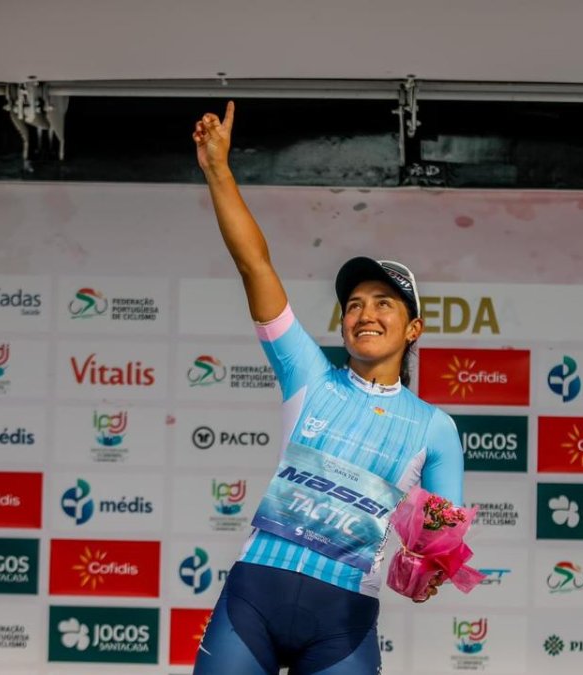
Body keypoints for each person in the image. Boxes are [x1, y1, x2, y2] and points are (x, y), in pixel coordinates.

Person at [191, 102, 465, 675]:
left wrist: (428, 570)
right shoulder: (308, 375)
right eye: (355, 304)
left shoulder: (435, 429)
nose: (366, 312)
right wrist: (218, 168)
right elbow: (255, 266)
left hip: (341, 625)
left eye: (384, 303)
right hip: (252, 604)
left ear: (413, 328)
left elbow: (439, 543)